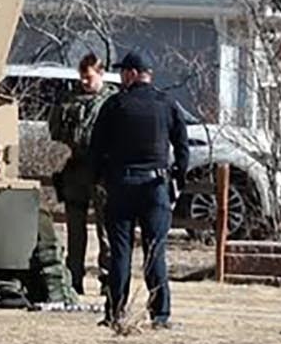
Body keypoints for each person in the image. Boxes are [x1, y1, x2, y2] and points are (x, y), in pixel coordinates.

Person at [90, 50, 189, 329]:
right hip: (155, 185)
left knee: (120, 253)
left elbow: (96, 147)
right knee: (155, 251)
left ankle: (114, 312)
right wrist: (178, 180)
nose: (121, 77)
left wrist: (99, 178)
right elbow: (182, 147)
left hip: (121, 184)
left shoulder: (116, 104)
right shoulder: (167, 104)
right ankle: (160, 314)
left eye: (123, 72)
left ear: (133, 74)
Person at [48, 53, 115, 296]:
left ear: (101, 74)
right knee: (75, 230)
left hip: (103, 170)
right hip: (77, 167)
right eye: (82, 78)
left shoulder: (113, 101)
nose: (85, 83)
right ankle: (74, 278)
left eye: (89, 78)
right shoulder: (70, 100)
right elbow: (55, 130)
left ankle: (108, 280)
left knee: (106, 229)